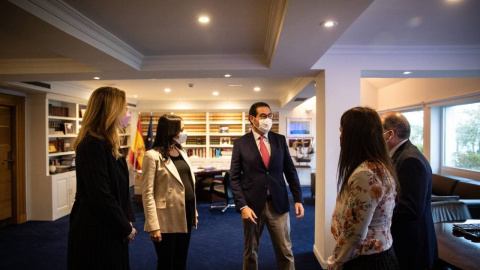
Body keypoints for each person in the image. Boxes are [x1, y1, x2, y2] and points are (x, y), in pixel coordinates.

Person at [230, 102, 304, 270]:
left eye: (270, 116)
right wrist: (242, 206)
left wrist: (298, 198)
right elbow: (234, 178)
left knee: (285, 251)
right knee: (251, 252)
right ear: (252, 119)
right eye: (263, 116)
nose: (268, 119)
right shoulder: (241, 143)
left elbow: (290, 171)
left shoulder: (279, 140)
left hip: (277, 203)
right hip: (252, 207)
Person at [67, 87, 136, 269]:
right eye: (125, 109)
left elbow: (120, 188)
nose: (127, 114)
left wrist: (127, 218)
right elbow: (101, 195)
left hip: (111, 226)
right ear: (111, 111)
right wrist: (124, 226)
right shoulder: (92, 145)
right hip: (96, 231)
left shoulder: (109, 144)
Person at [327, 107, 399, 270]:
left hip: (367, 261)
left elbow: (354, 234)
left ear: (354, 135)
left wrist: (336, 261)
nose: (340, 136)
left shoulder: (365, 174)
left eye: (342, 131)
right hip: (375, 256)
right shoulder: (377, 166)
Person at [380, 112, 438, 270]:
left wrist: (377, 211)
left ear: (389, 134)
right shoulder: (400, 155)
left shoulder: (410, 160)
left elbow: (411, 209)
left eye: (377, 132)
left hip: (412, 245)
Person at [142, 114, 197, 270]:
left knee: (181, 260)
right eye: (182, 129)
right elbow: (147, 193)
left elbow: (189, 184)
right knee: (166, 262)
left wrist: (194, 213)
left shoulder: (182, 152)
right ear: (171, 131)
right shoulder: (152, 156)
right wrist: (153, 226)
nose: (184, 132)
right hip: (165, 218)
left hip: (185, 214)